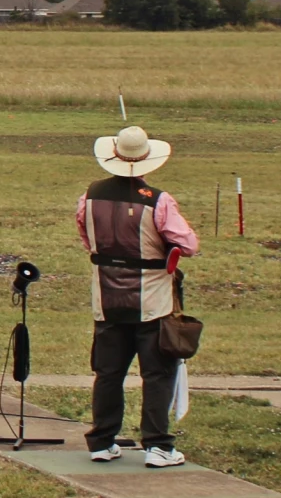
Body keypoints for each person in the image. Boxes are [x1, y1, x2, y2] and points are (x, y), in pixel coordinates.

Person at [75, 125, 200, 468]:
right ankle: (158, 445)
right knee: (158, 373)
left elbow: (87, 239)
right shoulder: (158, 201)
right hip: (152, 299)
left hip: (107, 296)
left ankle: (102, 441)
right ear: (146, 161)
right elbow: (188, 245)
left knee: (108, 372)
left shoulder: (90, 195)